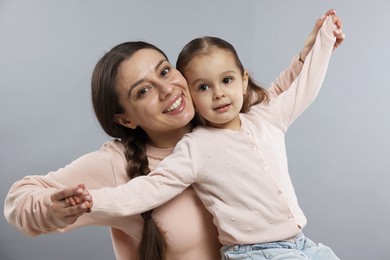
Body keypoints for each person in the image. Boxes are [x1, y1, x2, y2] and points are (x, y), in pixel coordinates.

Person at [4, 10, 344, 260]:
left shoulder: (220, 122)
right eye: (143, 91)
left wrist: (313, 50)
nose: (167, 89)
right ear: (125, 118)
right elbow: (20, 200)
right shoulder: (117, 164)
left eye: (165, 70)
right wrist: (51, 208)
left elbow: (277, 98)